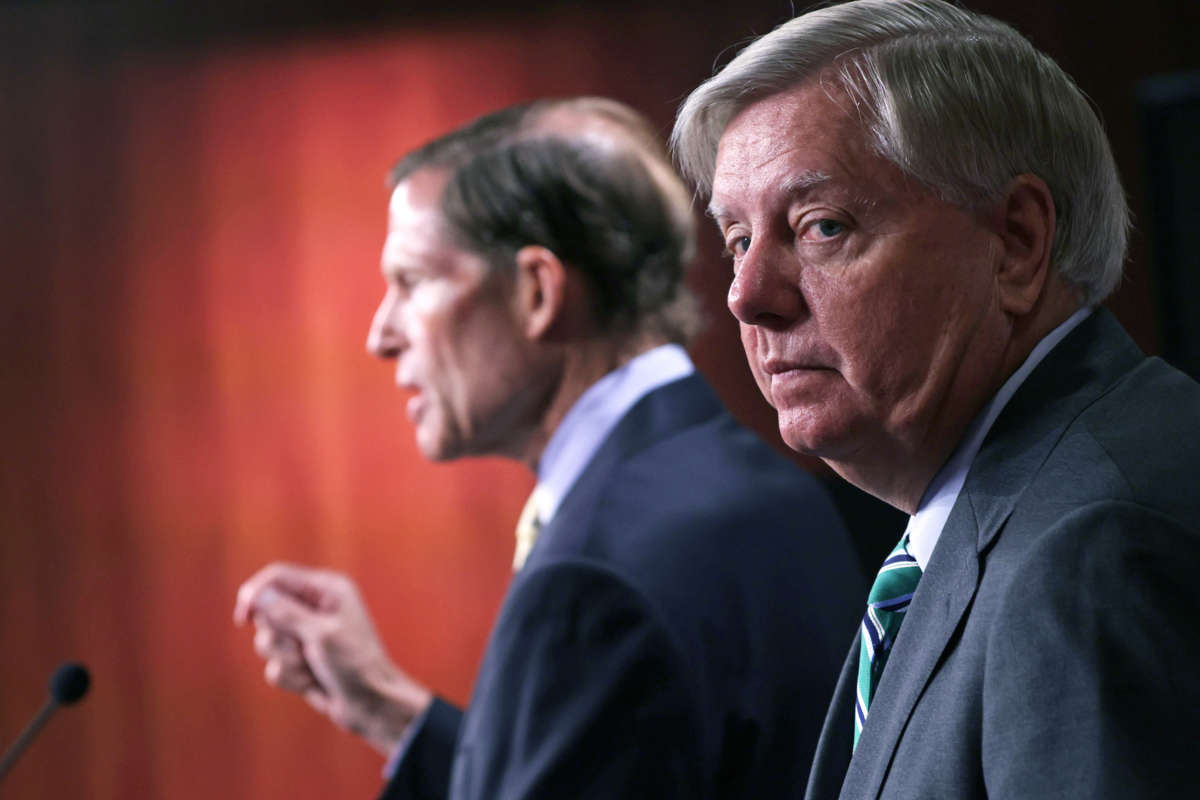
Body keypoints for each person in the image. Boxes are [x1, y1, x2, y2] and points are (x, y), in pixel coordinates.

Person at [234, 97, 866, 799]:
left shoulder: (592, 581)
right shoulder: (762, 487)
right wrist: (387, 708)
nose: (381, 334)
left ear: (537, 291)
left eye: (411, 283)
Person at [671, 1, 1200, 797]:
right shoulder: (1018, 505)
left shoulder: (1092, 550)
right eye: (739, 240)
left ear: (1017, 243)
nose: (747, 298)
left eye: (821, 227)